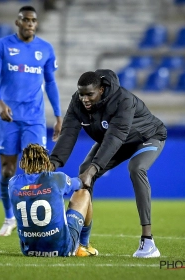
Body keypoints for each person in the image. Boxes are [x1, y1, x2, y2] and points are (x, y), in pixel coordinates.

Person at [49, 70, 167, 258]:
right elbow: (69, 133)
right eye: (81, 94)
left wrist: (94, 168)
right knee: (84, 171)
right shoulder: (78, 102)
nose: (84, 99)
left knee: (136, 168)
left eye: (89, 94)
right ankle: (82, 243)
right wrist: (53, 164)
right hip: (117, 140)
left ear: (102, 90)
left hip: (147, 137)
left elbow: (115, 136)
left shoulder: (123, 100)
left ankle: (148, 242)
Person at [0, 6, 62, 236]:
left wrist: (59, 116)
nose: (30, 23)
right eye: (25, 20)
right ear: (17, 22)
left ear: (36, 24)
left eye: (33, 20)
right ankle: (9, 218)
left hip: (34, 119)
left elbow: (50, 84)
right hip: (8, 117)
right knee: (8, 171)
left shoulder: (45, 49)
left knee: (36, 170)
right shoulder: (2, 45)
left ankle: (34, 221)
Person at [8, 143, 98, 257]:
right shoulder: (57, 178)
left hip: (28, 250)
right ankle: (84, 245)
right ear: (46, 163)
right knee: (84, 193)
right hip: (62, 249)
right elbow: (80, 184)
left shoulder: (12, 183)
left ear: (22, 164)